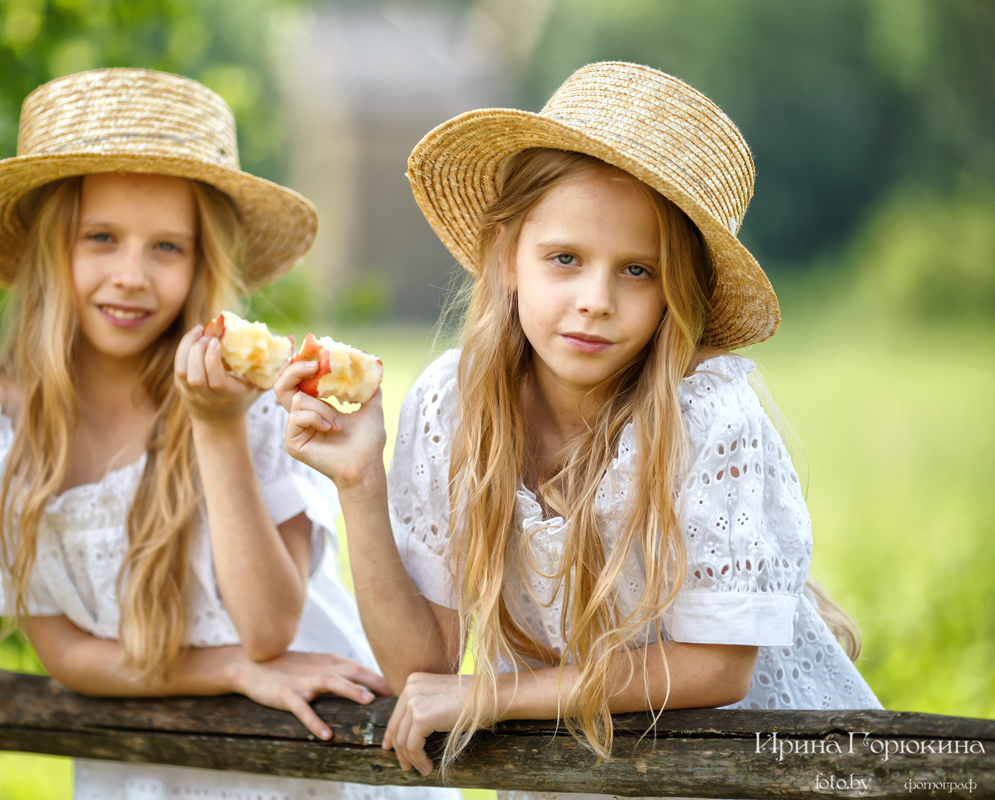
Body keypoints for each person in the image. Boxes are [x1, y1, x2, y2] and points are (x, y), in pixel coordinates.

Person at [276, 61, 882, 796]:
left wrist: (495, 695)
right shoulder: (453, 405)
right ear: (507, 256)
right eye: (565, 258)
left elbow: (720, 667)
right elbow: (422, 670)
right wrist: (361, 482)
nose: (596, 300)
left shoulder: (708, 415)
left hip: (759, 772)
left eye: (638, 271)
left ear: (677, 290)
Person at [0, 67, 456, 800]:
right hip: (149, 764)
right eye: (101, 237)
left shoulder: (259, 398)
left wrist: (217, 429)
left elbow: (271, 629)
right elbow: (70, 655)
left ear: (202, 261)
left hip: (317, 743)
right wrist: (233, 669)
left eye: (167, 248)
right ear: (51, 249)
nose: (133, 276)